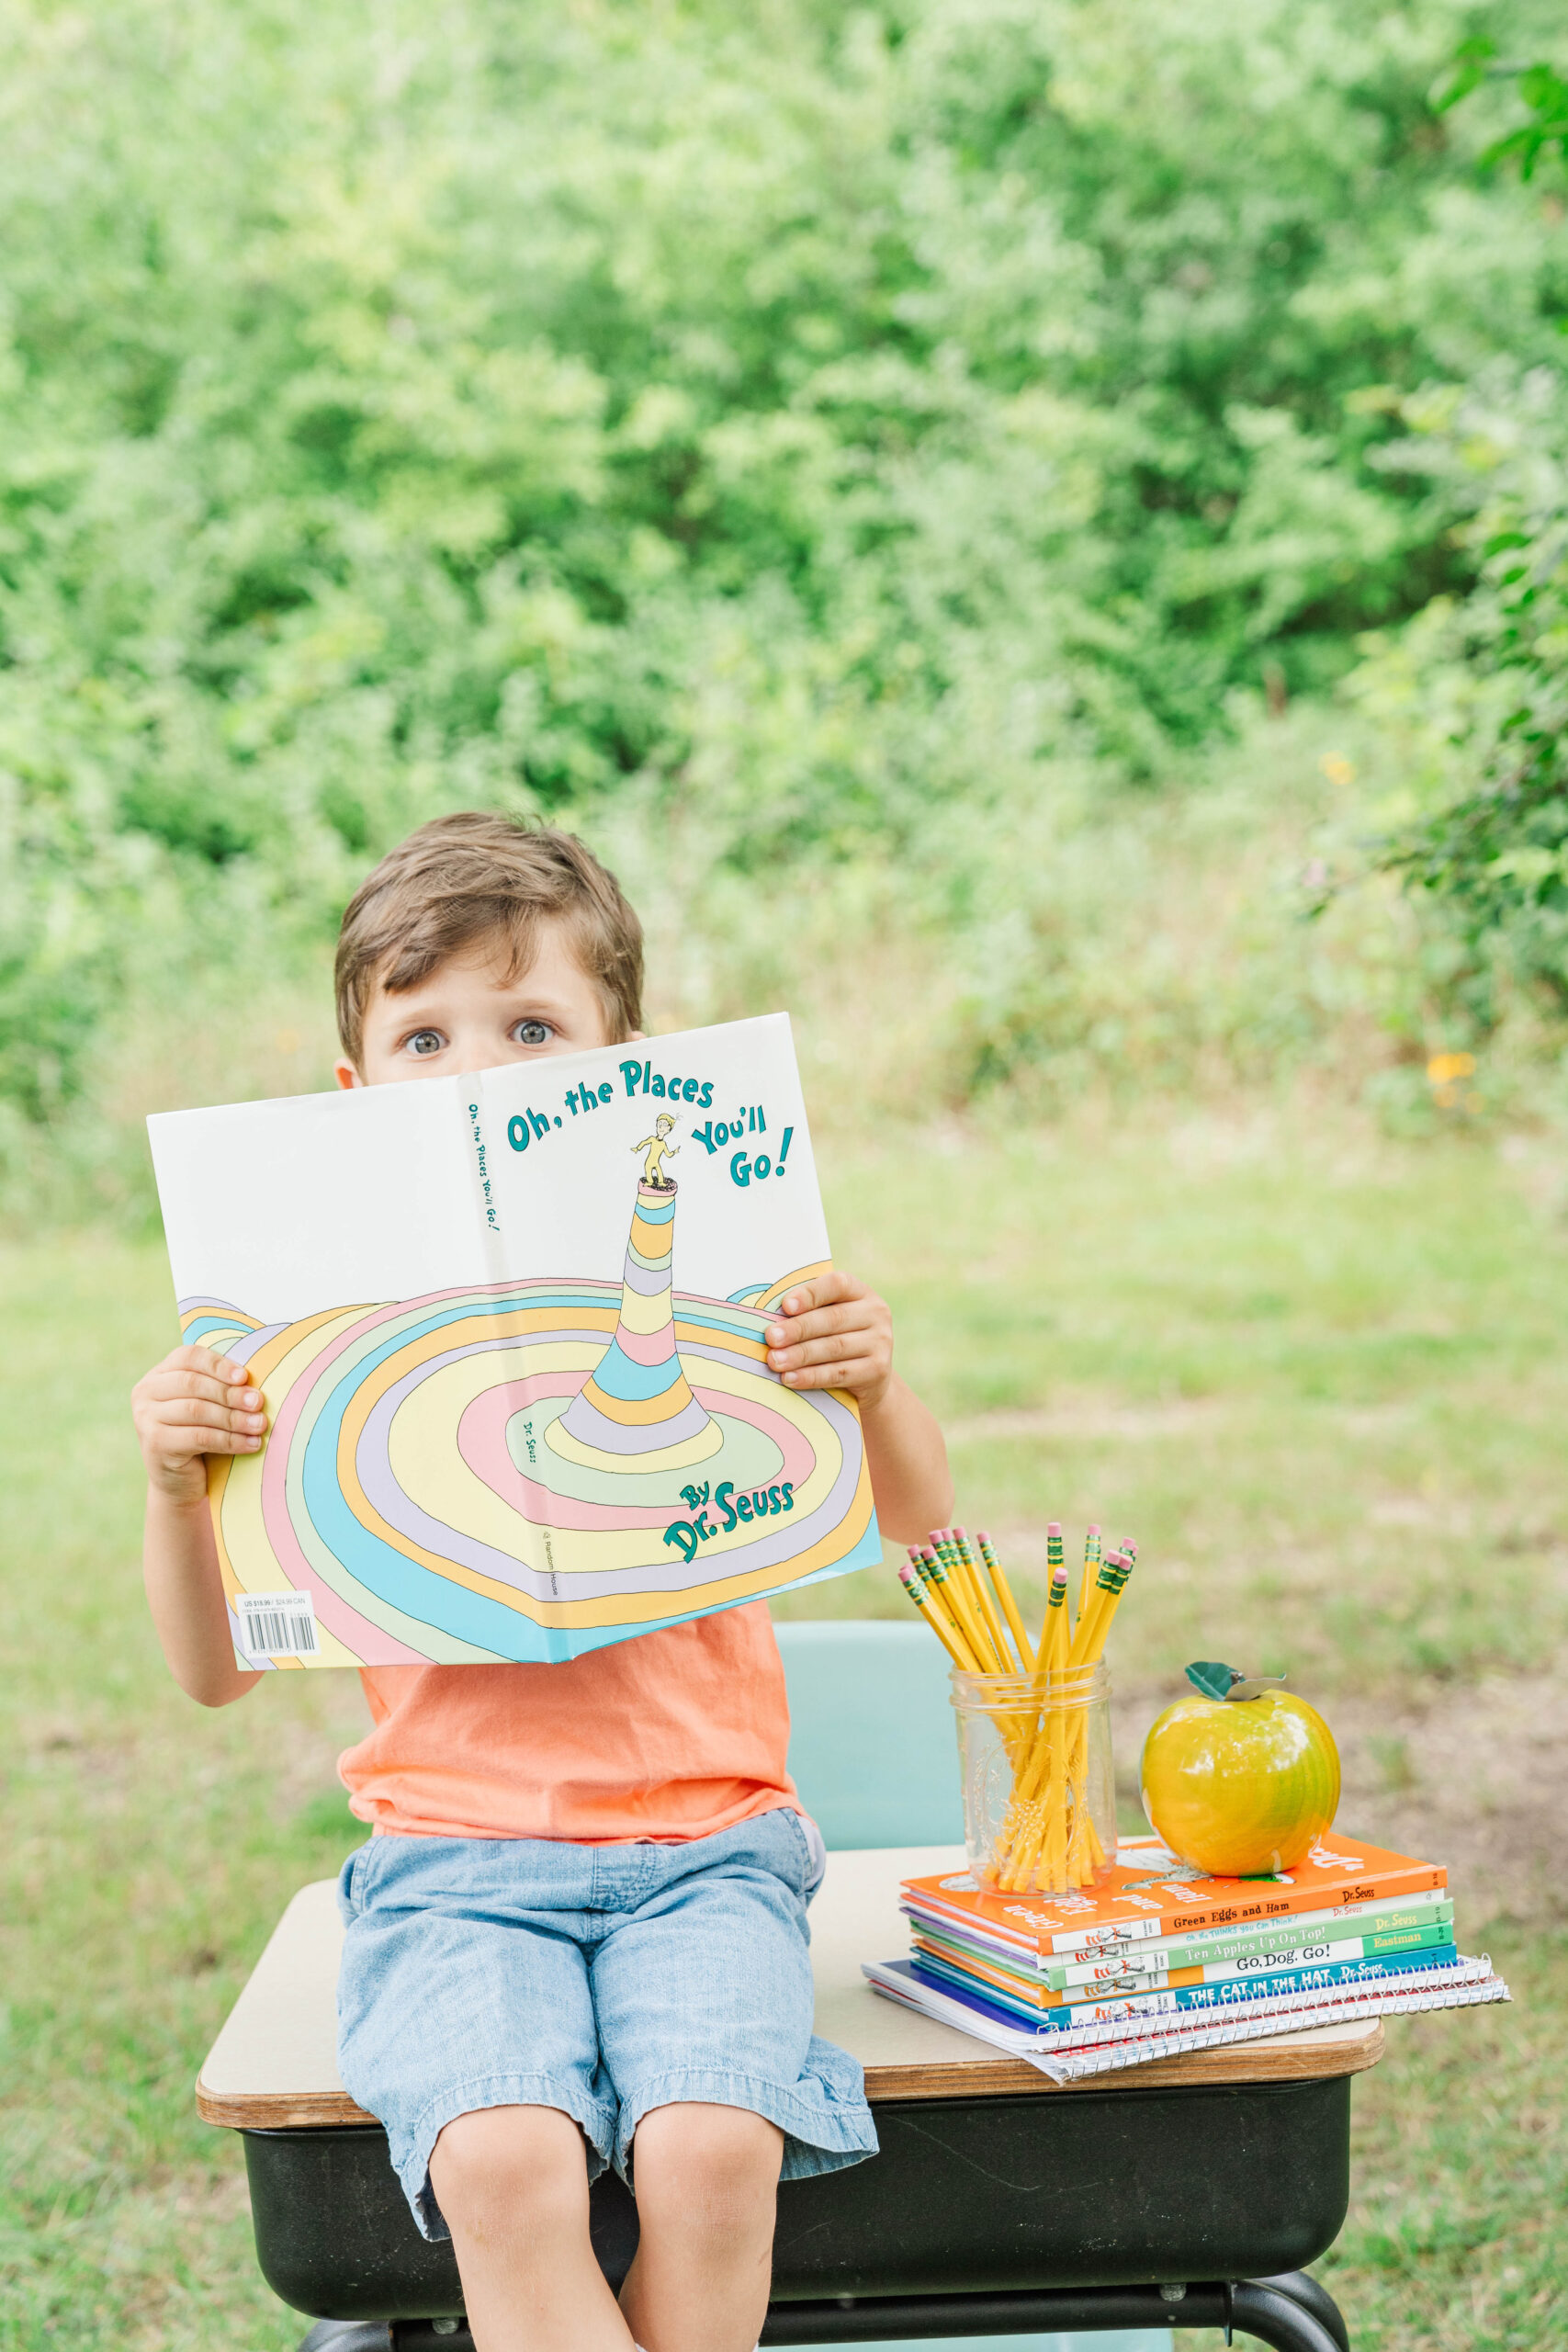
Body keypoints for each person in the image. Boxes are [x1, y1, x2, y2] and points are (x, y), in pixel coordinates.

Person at [130, 814, 954, 2352]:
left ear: (618, 1057)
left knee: (713, 2145)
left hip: (709, 1850)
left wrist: (872, 1384)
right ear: (353, 1093)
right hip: (451, 1867)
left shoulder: (719, 1267)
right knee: (502, 2159)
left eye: (528, 1028)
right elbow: (211, 1670)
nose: (475, 1070)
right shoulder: (289, 1342)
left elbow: (916, 1523)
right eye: (422, 1033)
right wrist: (179, 1488)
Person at [633, 1110, 680, 1188]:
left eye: (664, 1125)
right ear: (656, 1127)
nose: (661, 1127)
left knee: (660, 1176)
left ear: (668, 1129)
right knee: (650, 1179)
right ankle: (650, 1182)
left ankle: (660, 1182)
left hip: (656, 1163)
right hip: (648, 1162)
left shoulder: (663, 1144)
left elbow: (668, 1154)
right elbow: (644, 1142)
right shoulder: (652, 1139)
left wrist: (674, 1152)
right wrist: (637, 1148)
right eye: (659, 1125)